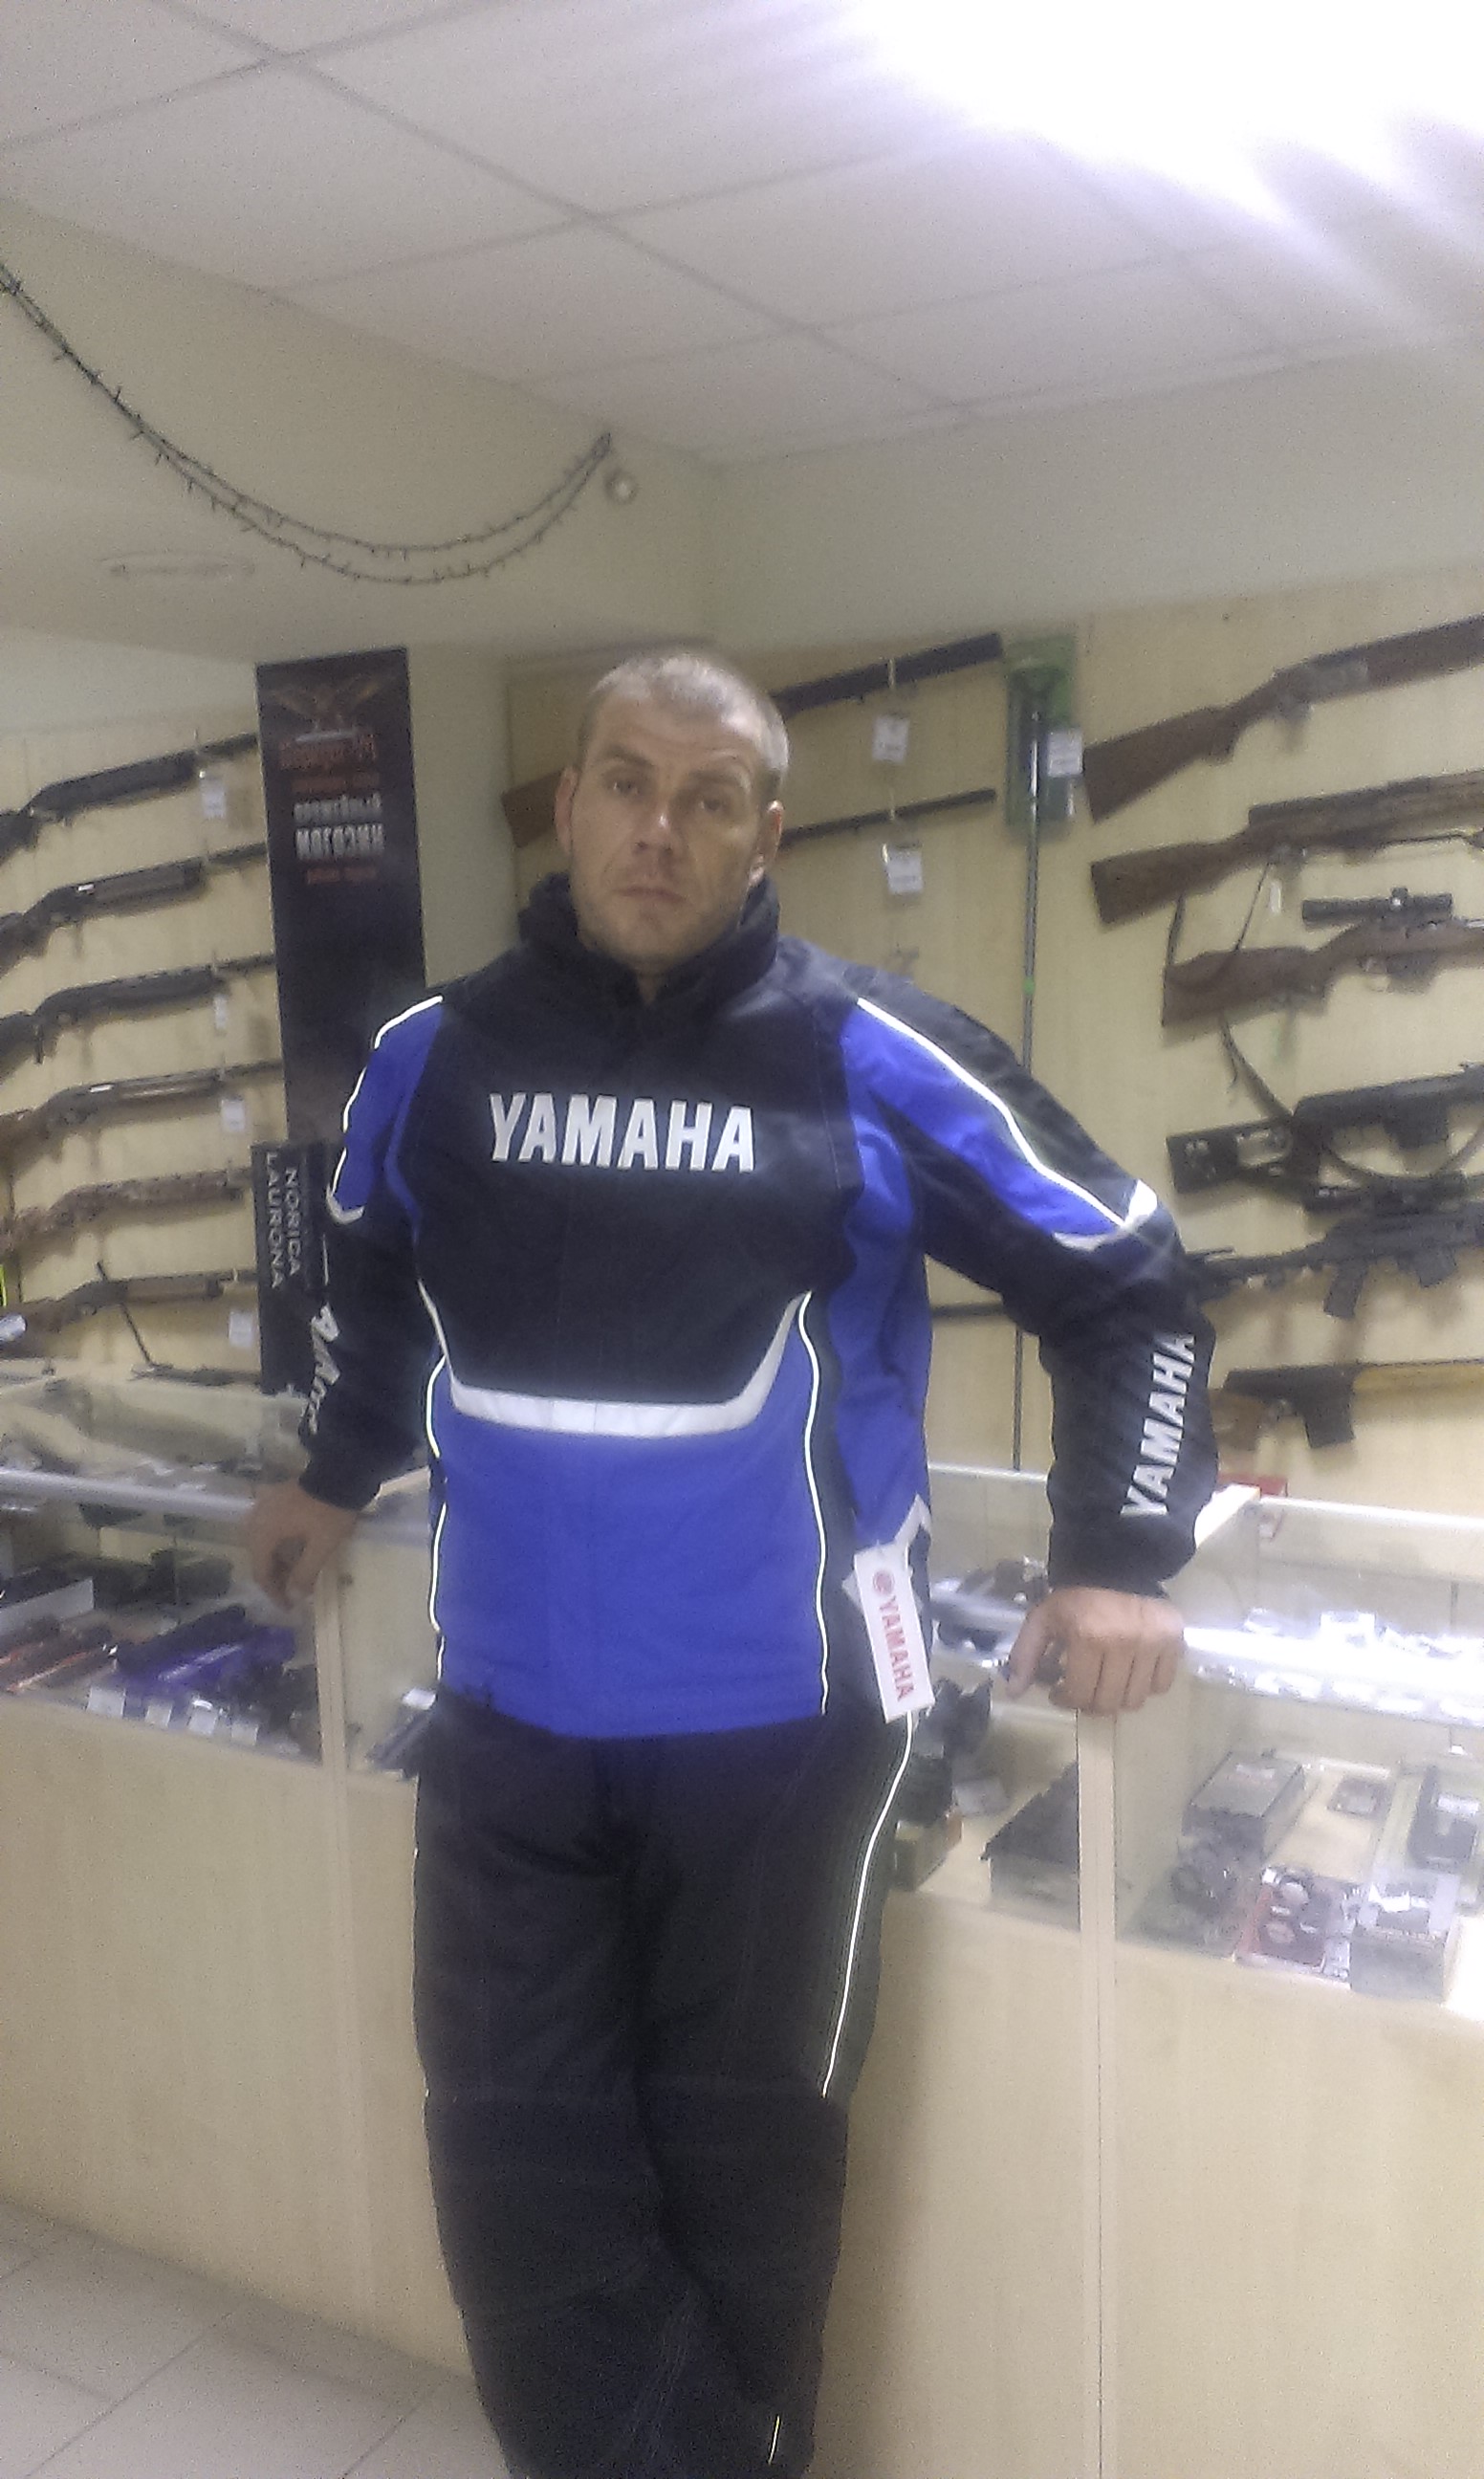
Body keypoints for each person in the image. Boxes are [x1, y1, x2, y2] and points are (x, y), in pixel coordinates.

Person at [246, 647, 1215, 2479]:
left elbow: (1129, 1282)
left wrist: (1119, 1554)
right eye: (626, 782)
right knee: (516, 2173)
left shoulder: (870, 1052)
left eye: (708, 801)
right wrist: (336, 1466)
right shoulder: (432, 1059)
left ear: (766, 835)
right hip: (509, 1721)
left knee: (744, 2179)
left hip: (789, 1735)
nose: (658, 830)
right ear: (570, 803)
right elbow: (374, 1274)